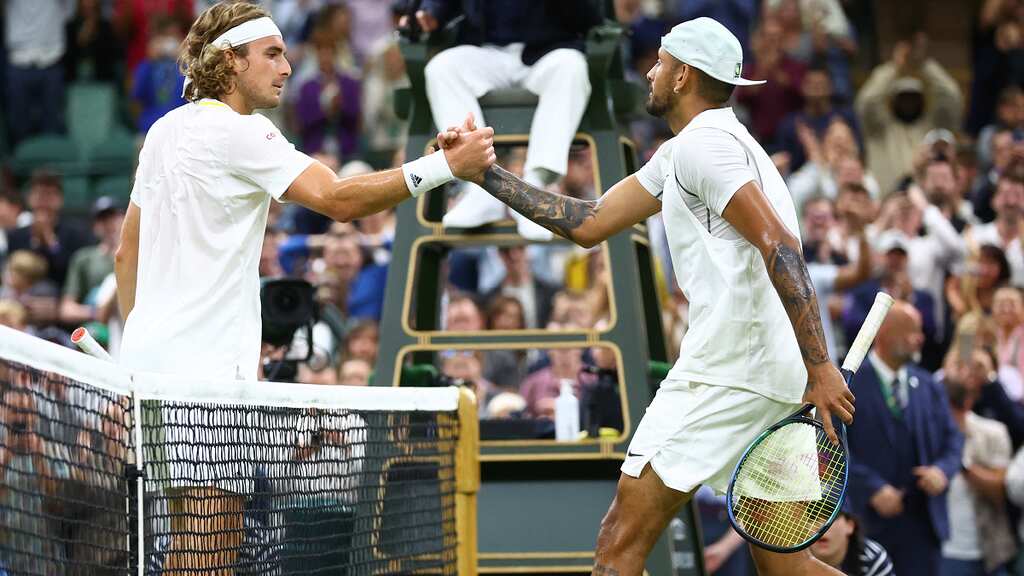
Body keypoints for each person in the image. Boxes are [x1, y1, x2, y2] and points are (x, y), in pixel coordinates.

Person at [445, 17, 853, 575]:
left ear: (683, 76)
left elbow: (779, 245)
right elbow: (587, 223)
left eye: (660, 62)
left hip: (729, 370)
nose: (650, 72)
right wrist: (485, 173)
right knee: (786, 567)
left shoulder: (704, 149)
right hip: (772, 375)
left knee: (619, 541)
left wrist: (823, 366)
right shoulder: (697, 150)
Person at [113, 3, 493, 572]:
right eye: (271, 54)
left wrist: (136, 349)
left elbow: (126, 252)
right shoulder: (243, 132)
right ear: (230, 62)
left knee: (182, 551)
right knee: (207, 556)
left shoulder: (162, 131)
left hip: (148, 369)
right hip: (206, 381)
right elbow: (338, 199)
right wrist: (442, 168)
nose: (287, 67)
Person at [845, 301, 964, 575]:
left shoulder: (929, 385)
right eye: (912, 331)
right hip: (867, 525)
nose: (920, 338)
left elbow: (954, 440)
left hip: (923, 526)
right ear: (884, 333)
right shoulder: (848, 386)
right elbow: (831, 449)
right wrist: (871, 487)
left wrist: (942, 471)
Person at [808, 505, 895, 576]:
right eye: (812, 517)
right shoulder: (794, 557)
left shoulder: (873, 558)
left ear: (850, 526)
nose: (820, 526)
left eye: (831, 516)